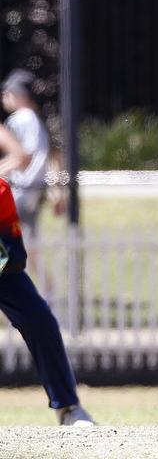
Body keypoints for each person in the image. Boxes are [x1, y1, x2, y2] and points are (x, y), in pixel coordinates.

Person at [0, 177, 94, 426]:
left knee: (39, 318)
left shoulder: (0, 190)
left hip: (2, 273)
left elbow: (15, 257)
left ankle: (68, 408)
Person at [0, 69, 64, 294]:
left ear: (18, 94)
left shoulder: (21, 119)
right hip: (33, 195)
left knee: (13, 249)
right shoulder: (38, 120)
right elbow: (53, 157)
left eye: (7, 93)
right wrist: (57, 192)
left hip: (19, 194)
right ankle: (49, 293)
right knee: (29, 250)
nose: (4, 97)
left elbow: (22, 158)